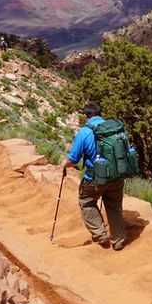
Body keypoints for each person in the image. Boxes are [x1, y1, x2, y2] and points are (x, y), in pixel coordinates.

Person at [62, 102, 126, 250]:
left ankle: (100, 234)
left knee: (87, 202)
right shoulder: (114, 128)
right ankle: (118, 240)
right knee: (114, 205)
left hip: (95, 178)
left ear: (86, 116)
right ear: (100, 113)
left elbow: (73, 160)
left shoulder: (84, 132)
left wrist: (64, 166)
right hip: (117, 176)